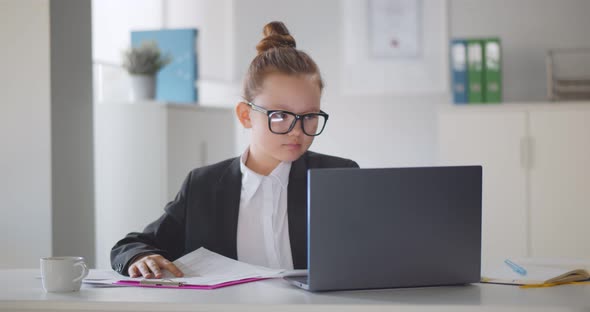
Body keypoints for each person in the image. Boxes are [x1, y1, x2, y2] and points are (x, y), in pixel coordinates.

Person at [111, 21, 359, 279]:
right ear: (245, 115)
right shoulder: (202, 186)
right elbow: (130, 246)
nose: (296, 130)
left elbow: (371, 251)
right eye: (280, 115)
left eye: (309, 116)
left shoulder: (338, 176)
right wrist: (139, 257)